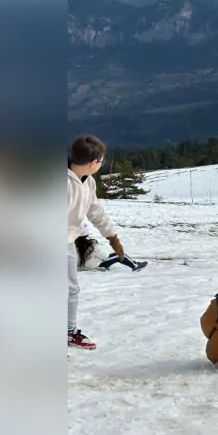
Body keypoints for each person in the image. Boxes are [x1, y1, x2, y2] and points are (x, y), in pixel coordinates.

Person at [67, 134, 125, 350]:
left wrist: (112, 237)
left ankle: (68, 332)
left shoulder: (87, 182)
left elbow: (95, 211)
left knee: (70, 289)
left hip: (66, 243)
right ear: (94, 163)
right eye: (101, 161)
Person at [74, 222, 147, 272]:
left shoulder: (72, 244)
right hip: (92, 266)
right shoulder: (91, 245)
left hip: (79, 267)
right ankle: (135, 265)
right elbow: (105, 256)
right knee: (118, 255)